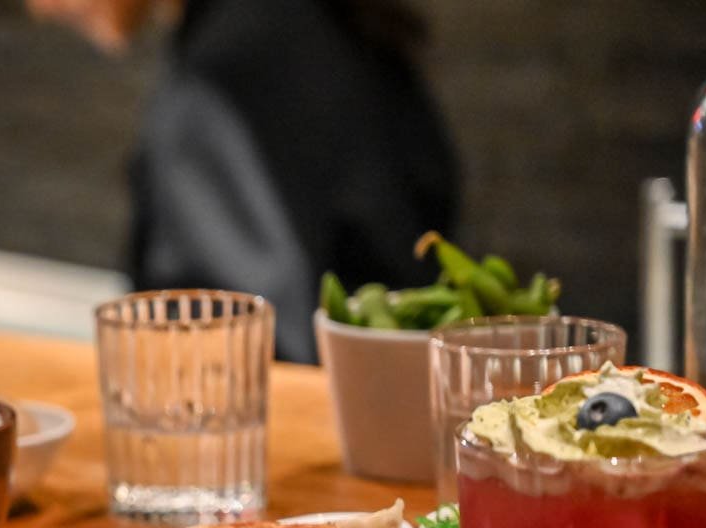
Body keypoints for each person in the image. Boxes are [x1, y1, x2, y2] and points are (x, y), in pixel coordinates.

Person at [31, 0, 458, 362]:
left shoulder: (231, 68)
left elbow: (242, 344)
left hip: (307, 427)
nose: (39, 9)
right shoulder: (304, 19)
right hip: (390, 392)